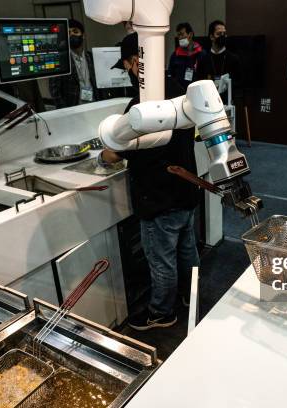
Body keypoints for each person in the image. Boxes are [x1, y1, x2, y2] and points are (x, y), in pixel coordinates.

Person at [104, 33, 200, 330]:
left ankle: (161, 313)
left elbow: (114, 155)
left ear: (134, 63)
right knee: (187, 250)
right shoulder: (180, 91)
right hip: (186, 188)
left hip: (158, 198)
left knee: (162, 261)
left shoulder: (140, 105)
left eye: (127, 66)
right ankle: (189, 296)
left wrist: (102, 155)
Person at [49, 19, 100, 108]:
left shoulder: (91, 57)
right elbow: (54, 91)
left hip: (94, 104)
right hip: (73, 108)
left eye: (75, 31)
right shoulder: (60, 60)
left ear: (83, 35)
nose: (71, 34)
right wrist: (65, 111)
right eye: (68, 33)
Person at [196, 20, 241, 102]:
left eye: (224, 34)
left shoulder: (234, 59)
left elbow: (239, 84)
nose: (222, 36)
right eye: (219, 34)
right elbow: (199, 84)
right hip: (208, 102)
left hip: (228, 102)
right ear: (211, 37)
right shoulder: (203, 60)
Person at [167, 23, 206, 89]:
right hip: (179, 93)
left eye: (182, 34)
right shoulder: (175, 55)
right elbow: (171, 76)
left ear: (190, 35)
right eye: (178, 35)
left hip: (197, 91)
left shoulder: (201, 53)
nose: (180, 38)